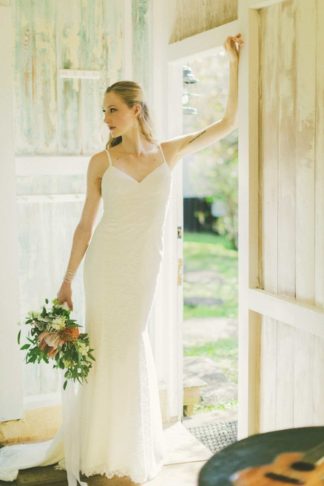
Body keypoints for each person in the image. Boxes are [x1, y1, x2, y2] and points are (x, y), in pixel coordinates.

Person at [0, 33, 243, 485]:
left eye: (113, 109)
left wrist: (233, 63)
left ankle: (127, 443)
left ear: (136, 110)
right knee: (106, 349)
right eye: (103, 111)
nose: (106, 118)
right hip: (106, 266)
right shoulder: (100, 163)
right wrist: (67, 281)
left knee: (130, 346)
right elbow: (85, 226)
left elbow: (228, 123)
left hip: (142, 269)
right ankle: (100, 445)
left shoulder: (168, 152)